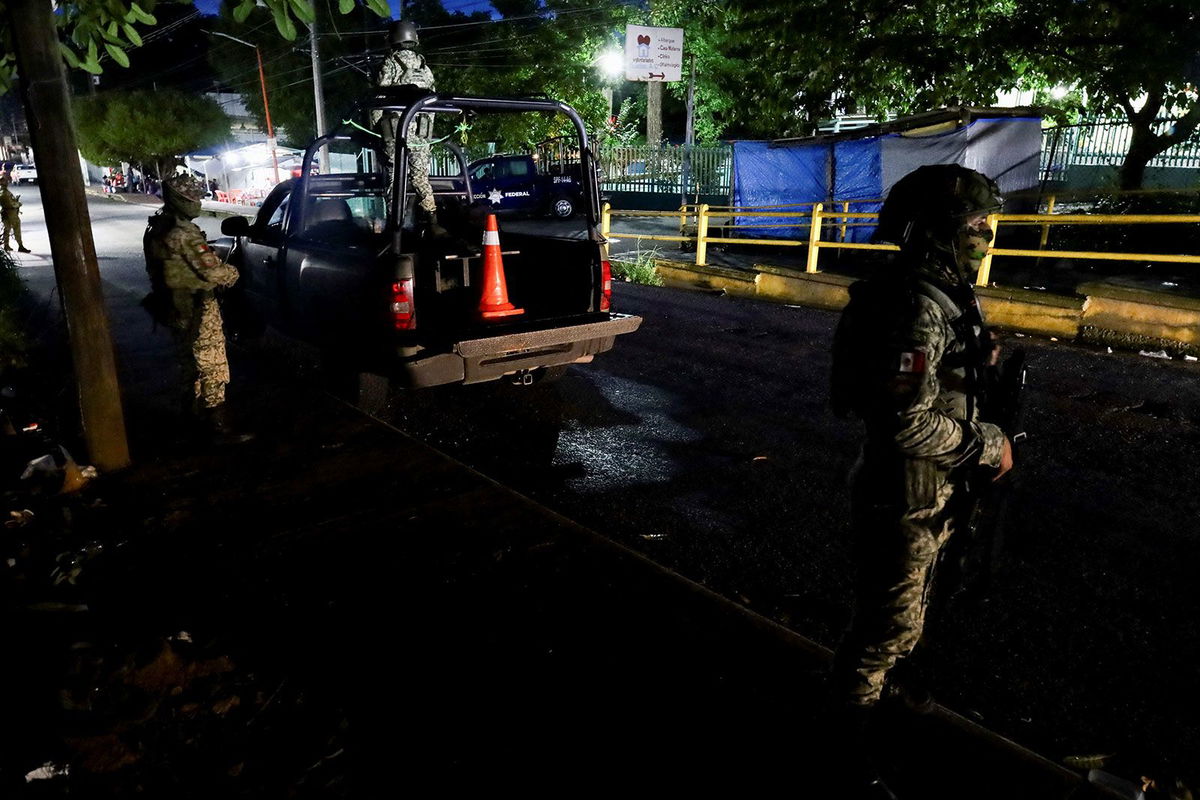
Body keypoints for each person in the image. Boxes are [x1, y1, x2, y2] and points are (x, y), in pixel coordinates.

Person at [827, 164, 1015, 797]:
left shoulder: (940, 292)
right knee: (884, 630)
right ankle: (845, 757)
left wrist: (978, 364)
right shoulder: (915, 302)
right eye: (974, 223)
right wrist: (987, 445)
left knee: (913, 614)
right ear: (938, 230)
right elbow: (904, 421)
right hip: (906, 489)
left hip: (933, 485)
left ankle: (890, 717)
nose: (985, 234)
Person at [142, 173, 245, 439]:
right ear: (181, 199)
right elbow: (212, 274)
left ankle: (193, 419)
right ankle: (217, 425)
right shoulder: (185, 233)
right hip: (199, 307)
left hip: (175, 306)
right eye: (193, 196)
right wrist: (233, 273)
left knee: (189, 366)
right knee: (213, 365)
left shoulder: (157, 227)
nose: (197, 200)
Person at [369, 19, 444, 236]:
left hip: (396, 132)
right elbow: (433, 98)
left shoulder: (390, 64)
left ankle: (396, 229)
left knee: (394, 179)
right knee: (421, 177)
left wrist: (375, 129)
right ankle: (432, 221)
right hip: (421, 132)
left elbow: (378, 98)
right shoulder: (423, 65)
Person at [0, 174, 31, 253]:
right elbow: (11, 204)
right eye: (5, 181)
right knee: (16, 229)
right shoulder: (4, 193)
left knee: (6, 229)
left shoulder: (3, 191)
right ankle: (20, 246)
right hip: (11, 213)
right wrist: (18, 203)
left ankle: (6, 245)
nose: (7, 182)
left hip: (6, 212)